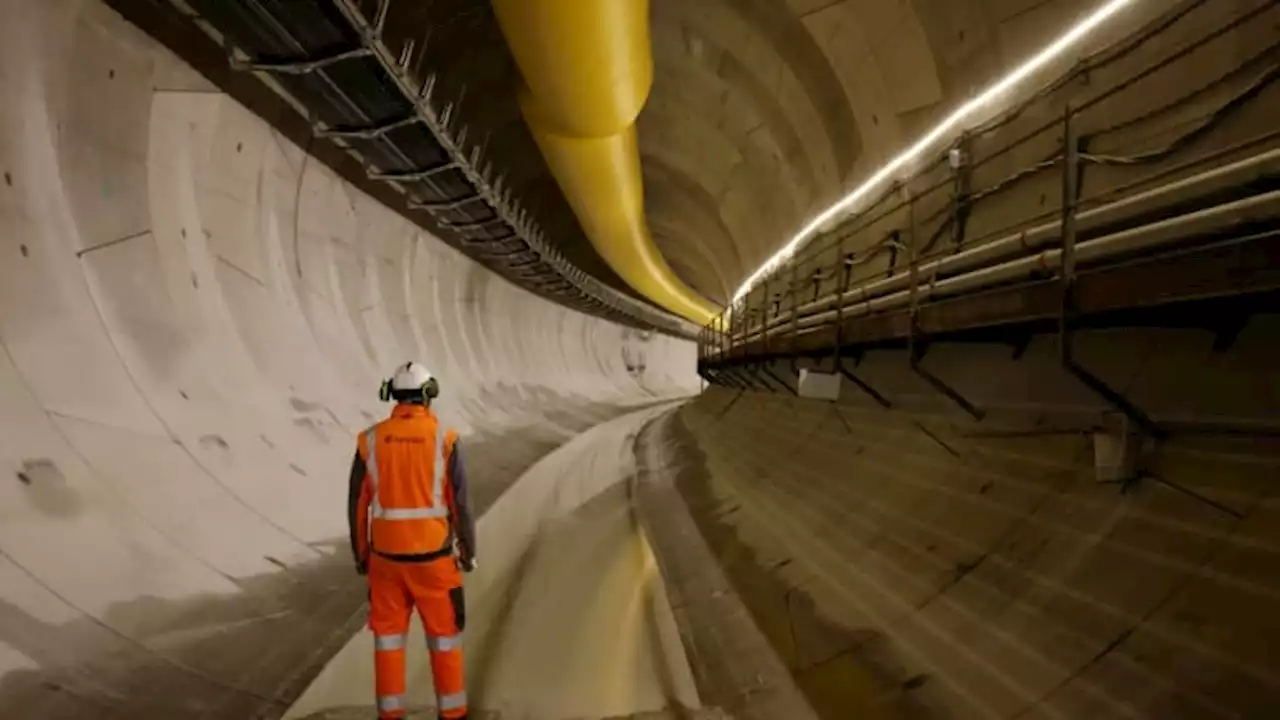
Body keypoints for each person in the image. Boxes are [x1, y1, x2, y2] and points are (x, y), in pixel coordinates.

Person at [348, 361, 477, 720]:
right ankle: (452, 714)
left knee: (388, 643)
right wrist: (468, 550)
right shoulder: (445, 440)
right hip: (434, 563)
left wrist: (362, 556)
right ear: (427, 394)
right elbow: (461, 502)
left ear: (394, 394)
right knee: (445, 639)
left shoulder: (369, 441)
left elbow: (357, 504)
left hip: (386, 564)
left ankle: (391, 715)